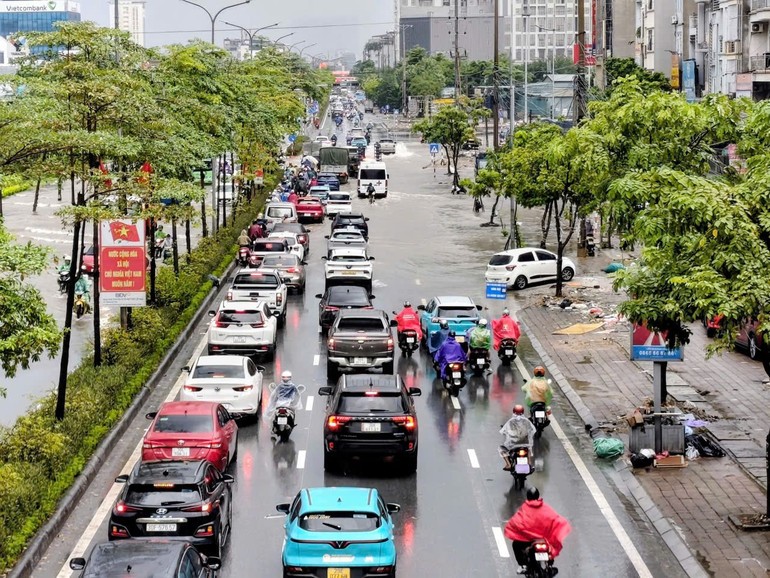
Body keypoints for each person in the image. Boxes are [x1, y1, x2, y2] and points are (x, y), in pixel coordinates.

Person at [504, 487, 572, 575]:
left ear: (528, 497)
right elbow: (554, 519)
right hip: (543, 539)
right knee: (550, 547)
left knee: (516, 544)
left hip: (529, 540)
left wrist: (512, 527)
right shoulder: (545, 507)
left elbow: (516, 522)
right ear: (538, 496)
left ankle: (523, 565)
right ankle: (550, 566)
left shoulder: (525, 508)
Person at [499, 405, 536, 470]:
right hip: (525, 443)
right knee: (529, 449)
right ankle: (529, 463)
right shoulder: (527, 421)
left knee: (502, 449)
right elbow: (533, 430)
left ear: (514, 412)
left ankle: (508, 464)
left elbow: (502, 431)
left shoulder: (511, 421)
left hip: (513, 444)